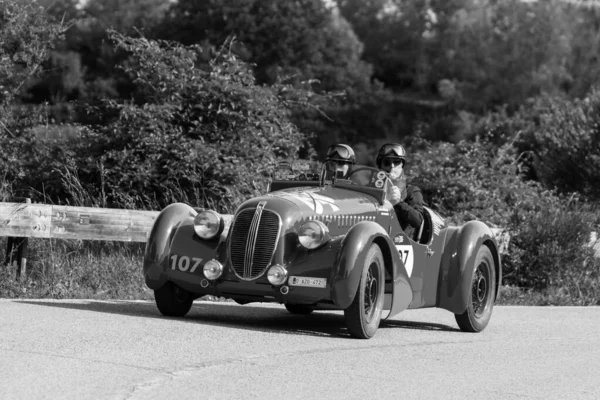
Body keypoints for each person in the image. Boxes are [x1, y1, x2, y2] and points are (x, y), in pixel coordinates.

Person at [376, 143, 425, 237]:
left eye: (397, 161)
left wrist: (398, 203)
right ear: (380, 166)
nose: (392, 166)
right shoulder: (372, 188)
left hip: (400, 241)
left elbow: (418, 220)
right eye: (387, 162)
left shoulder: (412, 191)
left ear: (402, 165)